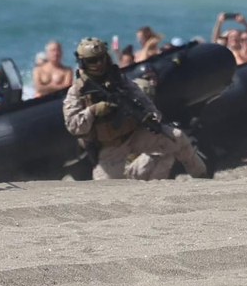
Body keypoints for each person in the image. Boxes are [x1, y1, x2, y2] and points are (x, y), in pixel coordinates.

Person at [63, 37, 208, 180]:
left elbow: (141, 97)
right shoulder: (77, 91)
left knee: (176, 138)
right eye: (93, 60)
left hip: (134, 134)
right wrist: (93, 111)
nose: (99, 63)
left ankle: (201, 176)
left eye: (102, 58)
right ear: (83, 62)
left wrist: (152, 114)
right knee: (107, 187)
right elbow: (74, 126)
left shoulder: (119, 79)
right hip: (109, 147)